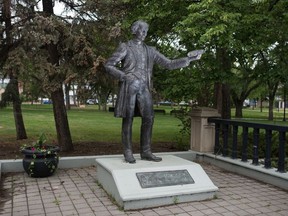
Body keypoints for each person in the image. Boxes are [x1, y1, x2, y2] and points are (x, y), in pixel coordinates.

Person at [105, 20, 203, 163]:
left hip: (144, 87)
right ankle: (128, 152)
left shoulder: (150, 50)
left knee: (149, 118)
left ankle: (146, 151)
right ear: (134, 30)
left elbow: (168, 64)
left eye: (146, 31)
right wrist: (122, 75)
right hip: (130, 87)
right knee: (128, 119)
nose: (144, 34)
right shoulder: (125, 47)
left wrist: (188, 59)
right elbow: (109, 65)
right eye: (142, 30)